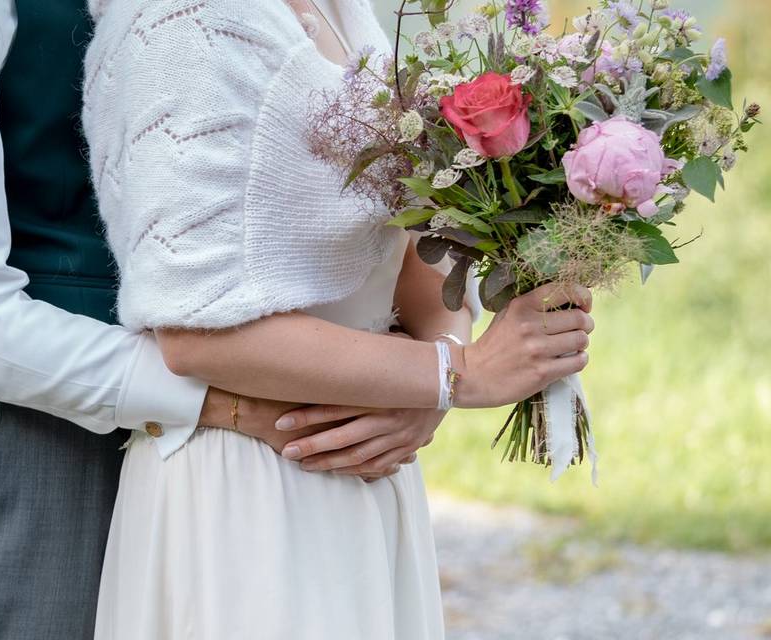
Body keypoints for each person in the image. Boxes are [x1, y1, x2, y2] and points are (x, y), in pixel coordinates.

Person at [83, 1, 594, 638]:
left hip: (371, 467)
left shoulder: (343, 8)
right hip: (251, 489)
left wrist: (431, 375)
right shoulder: (179, 21)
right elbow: (194, 332)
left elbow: (403, 243)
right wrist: (459, 374)